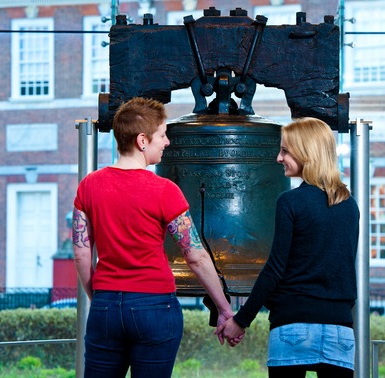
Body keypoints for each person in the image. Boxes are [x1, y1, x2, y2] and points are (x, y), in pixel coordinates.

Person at [71, 97, 234, 378]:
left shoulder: (89, 185)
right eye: (162, 135)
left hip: (106, 306)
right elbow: (195, 255)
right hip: (154, 307)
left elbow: (82, 253)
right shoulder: (165, 190)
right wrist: (223, 308)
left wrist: (99, 297)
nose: (167, 142)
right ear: (142, 140)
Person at [216, 117, 360, 378]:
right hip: (340, 330)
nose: (278, 158)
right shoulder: (350, 205)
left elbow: (275, 269)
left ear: (306, 153)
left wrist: (241, 320)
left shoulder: (290, 202)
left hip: (294, 325)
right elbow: (341, 266)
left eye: (285, 151)